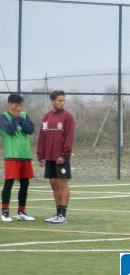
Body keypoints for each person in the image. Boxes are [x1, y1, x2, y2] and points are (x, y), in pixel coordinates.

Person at [37, 90, 75, 224]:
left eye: (63, 100)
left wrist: (65, 155)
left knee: (63, 183)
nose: (62, 103)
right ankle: (58, 213)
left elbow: (69, 138)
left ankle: (63, 215)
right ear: (52, 101)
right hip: (49, 158)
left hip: (61, 158)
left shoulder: (67, 117)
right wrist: (40, 156)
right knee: (53, 184)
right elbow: (42, 137)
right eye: (59, 100)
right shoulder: (47, 117)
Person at [0, 94, 36, 222]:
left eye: (20, 105)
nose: (18, 108)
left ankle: (21, 211)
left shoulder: (24, 115)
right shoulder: (3, 117)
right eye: (15, 105)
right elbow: (10, 130)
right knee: (9, 183)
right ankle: (4, 212)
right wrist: (15, 118)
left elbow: (30, 130)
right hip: (12, 156)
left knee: (25, 183)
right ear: (9, 105)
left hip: (25, 155)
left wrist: (20, 118)